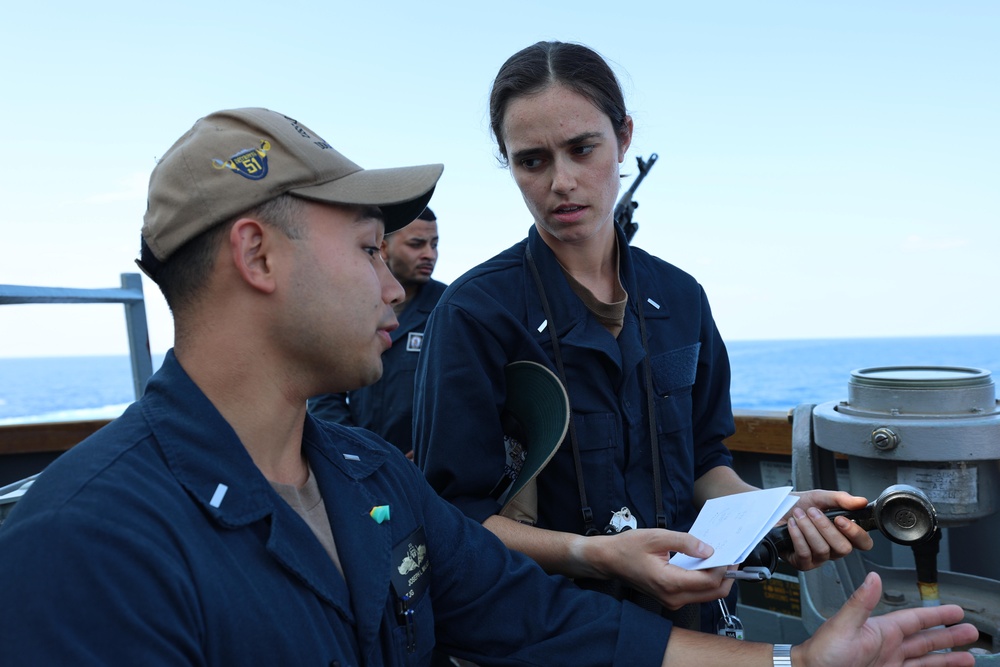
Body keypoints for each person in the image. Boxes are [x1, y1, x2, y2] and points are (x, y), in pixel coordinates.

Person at [0, 107, 977, 667]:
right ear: (257, 252)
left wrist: (794, 664)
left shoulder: (368, 477)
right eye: (370, 248)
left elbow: (554, 620)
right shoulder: (83, 549)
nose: (399, 281)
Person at [413, 40, 874, 632]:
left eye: (583, 149)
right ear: (508, 162)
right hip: (551, 629)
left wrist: (779, 511)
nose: (562, 181)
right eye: (532, 160)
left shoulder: (681, 299)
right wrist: (594, 553)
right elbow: (454, 517)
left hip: (690, 621)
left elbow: (706, 463)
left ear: (624, 136)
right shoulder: (476, 313)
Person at [308, 206, 446, 457]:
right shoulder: (349, 305)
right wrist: (354, 447)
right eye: (417, 244)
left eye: (434, 244)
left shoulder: (449, 310)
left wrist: (433, 448)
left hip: (422, 471)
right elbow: (324, 389)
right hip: (354, 463)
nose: (430, 254)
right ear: (383, 248)